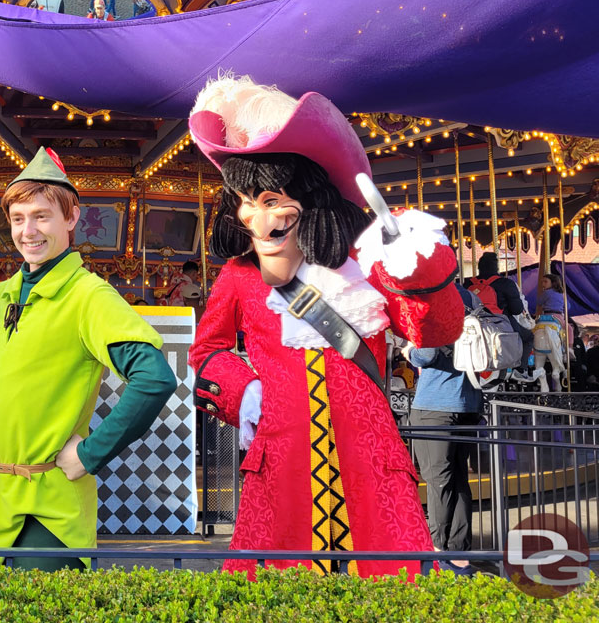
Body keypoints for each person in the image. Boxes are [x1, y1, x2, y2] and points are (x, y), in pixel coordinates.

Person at [187, 76, 464, 579]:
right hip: (279, 469)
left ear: (308, 200)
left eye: (270, 200)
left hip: (371, 465)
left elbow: (437, 333)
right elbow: (207, 352)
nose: (256, 216)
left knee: (388, 594)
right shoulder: (239, 277)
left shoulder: (369, 262)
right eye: (245, 202)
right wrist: (243, 391)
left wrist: (417, 268)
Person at [0, 147, 177, 570]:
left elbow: (154, 378)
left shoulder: (89, 295)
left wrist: (90, 454)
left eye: (42, 215)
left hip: (46, 510)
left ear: (71, 218)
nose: (28, 230)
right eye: (18, 218)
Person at [403, 284, 483, 569]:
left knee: (438, 478)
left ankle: (438, 549)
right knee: (459, 477)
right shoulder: (472, 299)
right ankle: (460, 551)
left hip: (436, 404)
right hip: (469, 403)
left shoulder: (439, 301)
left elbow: (427, 355)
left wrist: (409, 351)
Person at [466, 252, 534, 379]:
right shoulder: (505, 283)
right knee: (529, 337)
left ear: (480, 267)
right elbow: (517, 310)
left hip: (472, 327)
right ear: (496, 267)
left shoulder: (468, 284)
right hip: (498, 326)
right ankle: (520, 370)